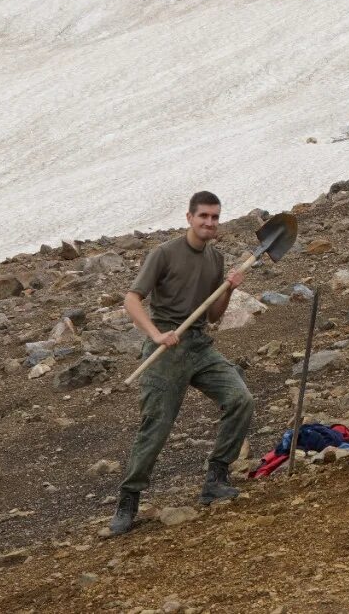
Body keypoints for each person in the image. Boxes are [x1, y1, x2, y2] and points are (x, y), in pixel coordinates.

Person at [110, 191, 254, 535]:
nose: (209, 223)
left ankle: (216, 477)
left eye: (215, 217)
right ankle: (128, 499)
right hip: (166, 352)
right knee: (155, 428)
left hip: (199, 346)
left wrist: (229, 289)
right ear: (189, 217)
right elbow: (131, 300)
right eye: (203, 216)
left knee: (240, 400)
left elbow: (215, 316)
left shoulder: (215, 259)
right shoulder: (164, 253)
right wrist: (157, 334)